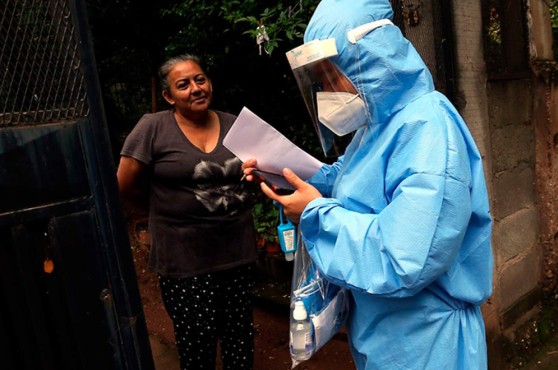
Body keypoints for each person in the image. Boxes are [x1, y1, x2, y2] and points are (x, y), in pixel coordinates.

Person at [243, 0, 494, 369]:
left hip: (427, 344)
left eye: (332, 76)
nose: (329, 91)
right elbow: (351, 180)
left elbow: (405, 258)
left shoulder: (428, 127)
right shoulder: (378, 126)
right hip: (383, 334)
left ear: (371, 58)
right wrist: (285, 172)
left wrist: (315, 215)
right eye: (320, 82)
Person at [117, 54, 256, 370]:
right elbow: (124, 184)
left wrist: (254, 177)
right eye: (183, 85)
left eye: (200, 79)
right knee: (197, 343)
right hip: (184, 257)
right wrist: (162, 208)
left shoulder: (236, 125)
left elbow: (260, 175)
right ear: (168, 96)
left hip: (237, 252)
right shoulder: (152, 128)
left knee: (240, 339)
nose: (195, 88)